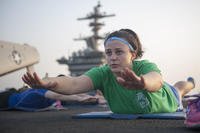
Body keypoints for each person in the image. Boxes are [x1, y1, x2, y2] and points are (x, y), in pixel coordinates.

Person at [22, 29, 195, 114]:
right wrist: (47, 83)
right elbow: (74, 83)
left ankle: (191, 83)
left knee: (179, 87)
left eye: (119, 52)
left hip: (168, 99)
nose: (112, 57)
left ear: (132, 54)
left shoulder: (144, 67)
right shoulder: (103, 73)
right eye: (108, 53)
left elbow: (156, 80)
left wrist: (142, 83)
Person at [0, 86, 102, 111]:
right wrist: (78, 98)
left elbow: (66, 94)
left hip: (10, 98)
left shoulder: (37, 92)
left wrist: (92, 97)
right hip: (5, 98)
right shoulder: (37, 91)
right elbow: (58, 95)